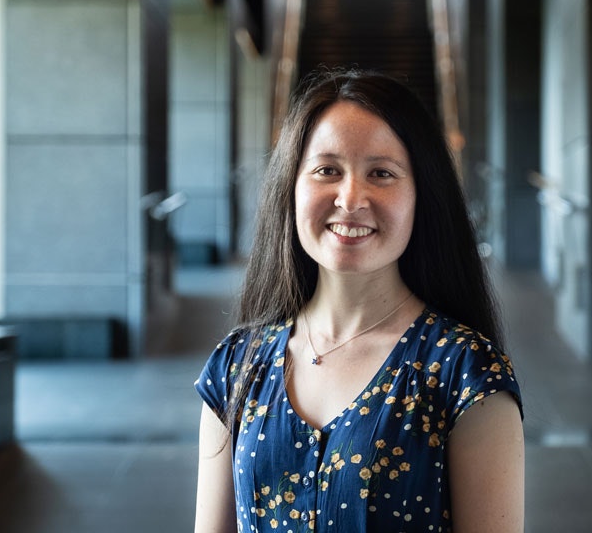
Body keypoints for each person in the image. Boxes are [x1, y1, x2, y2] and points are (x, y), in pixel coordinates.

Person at [194, 69, 524, 533]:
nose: (350, 199)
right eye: (327, 170)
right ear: (291, 187)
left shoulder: (465, 375)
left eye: (381, 173)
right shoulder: (236, 366)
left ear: (420, 197)